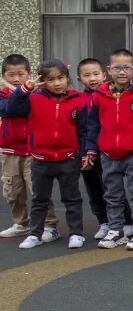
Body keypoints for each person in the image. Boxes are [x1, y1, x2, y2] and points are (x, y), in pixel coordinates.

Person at [2, 60, 89, 250]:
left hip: (68, 159)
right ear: (42, 81)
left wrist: (84, 154)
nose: (57, 83)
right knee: (39, 199)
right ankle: (35, 234)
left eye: (61, 78)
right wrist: (25, 89)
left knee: (72, 199)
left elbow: (83, 131)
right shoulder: (33, 99)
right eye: (51, 80)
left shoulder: (78, 100)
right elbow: (11, 109)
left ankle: (76, 233)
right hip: (41, 160)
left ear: (67, 78)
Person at [86, 48, 133, 250]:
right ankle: (116, 229)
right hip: (108, 154)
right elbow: (92, 125)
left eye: (127, 67)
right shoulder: (98, 96)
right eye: (117, 68)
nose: (122, 72)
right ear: (109, 70)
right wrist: (91, 150)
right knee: (112, 194)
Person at [0, 55, 58, 240]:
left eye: (21, 74)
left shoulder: (37, 94)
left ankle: (49, 225)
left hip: (34, 150)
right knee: (13, 191)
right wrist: (22, 91)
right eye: (11, 75)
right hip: (9, 150)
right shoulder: (3, 94)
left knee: (38, 189)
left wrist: (24, 91)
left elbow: (25, 109)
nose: (16, 79)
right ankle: (21, 223)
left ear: (29, 73)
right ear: (3, 76)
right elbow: (8, 109)